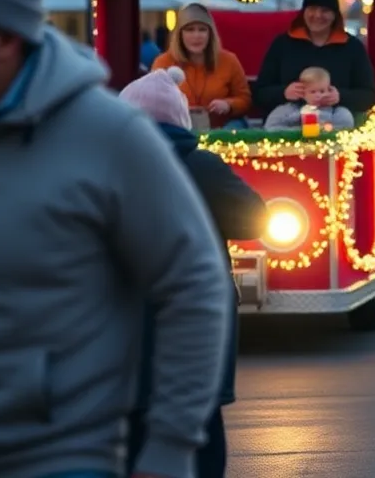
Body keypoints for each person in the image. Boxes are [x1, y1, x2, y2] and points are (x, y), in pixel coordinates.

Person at [0, 0, 231, 478]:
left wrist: (171, 444)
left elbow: (195, 285)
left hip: (56, 459)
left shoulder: (107, 137)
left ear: (3, 38)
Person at [119, 66, 267, 478]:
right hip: (199, 315)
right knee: (199, 428)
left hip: (123, 320)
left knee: (131, 428)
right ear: (180, 118)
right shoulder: (203, 166)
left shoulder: (107, 167)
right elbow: (255, 219)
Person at [254, 0, 375, 118]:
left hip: (335, 126)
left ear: (334, 15)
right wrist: (283, 93)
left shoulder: (352, 47)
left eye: (325, 10)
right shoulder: (282, 44)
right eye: (312, 8)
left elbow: (369, 96)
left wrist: (340, 97)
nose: (317, 15)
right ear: (304, 11)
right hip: (288, 125)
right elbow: (259, 93)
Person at [152, 2, 253, 129]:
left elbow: (245, 99)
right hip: (180, 128)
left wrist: (228, 105)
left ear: (210, 34)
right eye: (190, 30)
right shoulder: (163, 62)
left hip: (221, 129)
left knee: (236, 126)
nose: (196, 36)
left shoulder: (229, 60)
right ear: (180, 34)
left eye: (202, 29)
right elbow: (153, 101)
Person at [264, 66, 355, 131]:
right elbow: (270, 127)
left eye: (322, 91)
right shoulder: (287, 110)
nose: (318, 95)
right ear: (303, 92)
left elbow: (346, 126)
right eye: (313, 92)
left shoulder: (337, 112)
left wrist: (324, 129)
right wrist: (300, 130)